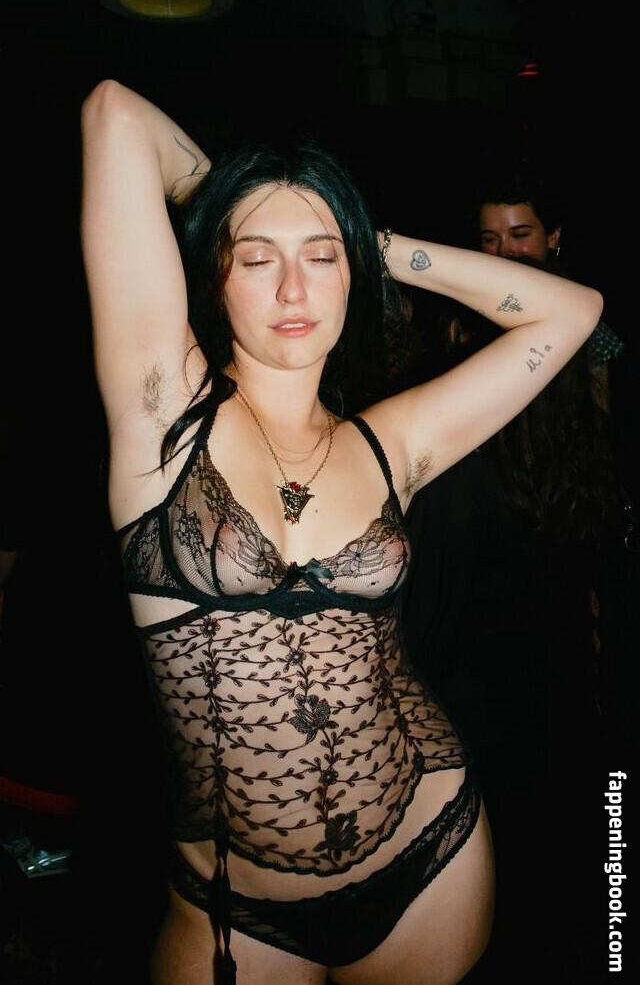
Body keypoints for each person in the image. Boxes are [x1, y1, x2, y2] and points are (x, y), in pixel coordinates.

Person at [79, 78, 602, 985]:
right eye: (256, 258)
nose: (294, 287)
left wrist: (366, 236)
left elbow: (573, 311)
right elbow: (113, 114)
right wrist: (248, 197)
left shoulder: (391, 442)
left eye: (322, 258)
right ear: (214, 273)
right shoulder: (162, 416)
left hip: (432, 850)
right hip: (238, 910)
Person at [400, 267, 624, 980]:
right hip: (566, 710)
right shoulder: (586, 445)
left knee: (496, 926)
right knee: (570, 905)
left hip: (479, 729)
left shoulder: (460, 471)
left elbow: (427, 627)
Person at [474, 169, 624, 411]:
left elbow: (598, 415)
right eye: (490, 239)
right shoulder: (463, 320)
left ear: (553, 237)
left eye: (520, 235)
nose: (505, 251)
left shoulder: (585, 318)